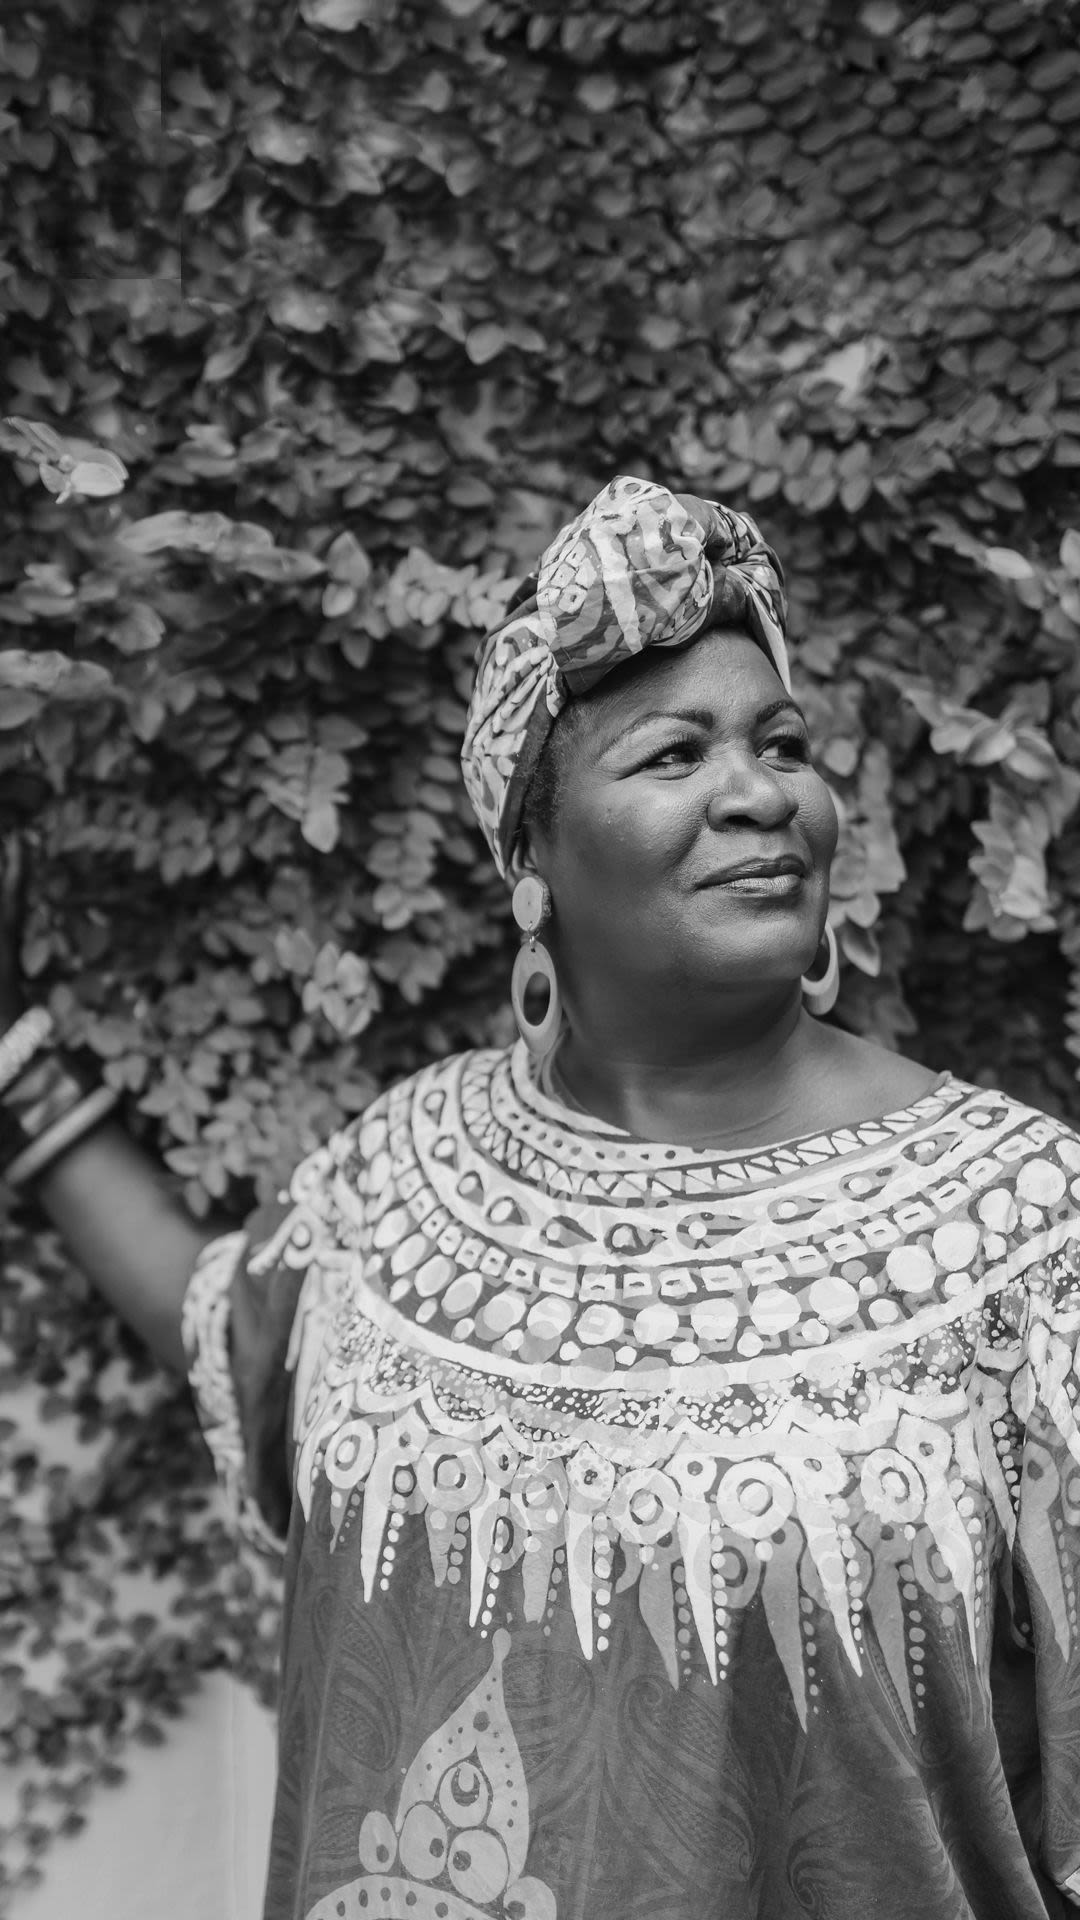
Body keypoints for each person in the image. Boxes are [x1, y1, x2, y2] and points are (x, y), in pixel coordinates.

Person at [4, 472, 1080, 1920]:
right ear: (536, 860)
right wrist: (18, 1071)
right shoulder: (409, 1174)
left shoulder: (1025, 1231)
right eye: (674, 752)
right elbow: (229, 1333)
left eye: (782, 743)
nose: (760, 791)